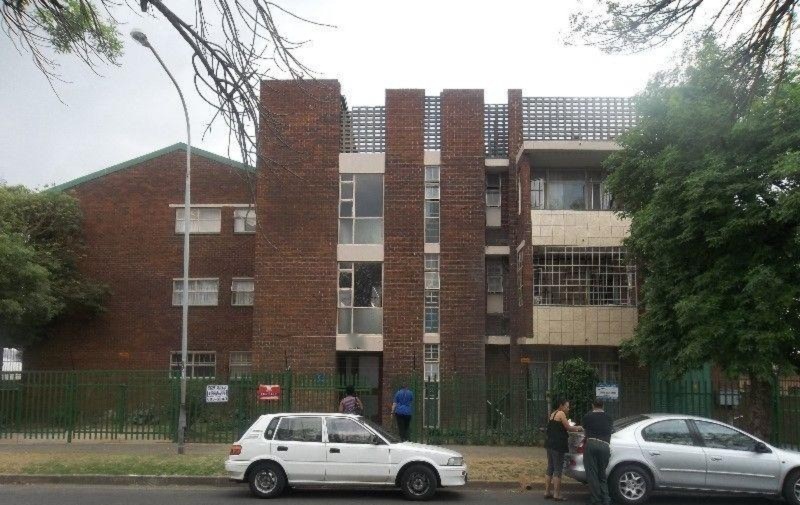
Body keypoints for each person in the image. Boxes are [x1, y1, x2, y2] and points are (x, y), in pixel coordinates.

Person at [544, 398, 583, 501]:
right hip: (558, 445)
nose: (568, 408)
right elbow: (568, 427)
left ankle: (547, 492)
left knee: (550, 467)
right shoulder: (561, 414)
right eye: (567, 406)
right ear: (561, 406)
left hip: (549, 444)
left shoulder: (553, 414)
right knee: (558, 469)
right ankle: (556, 494)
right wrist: (579, 427)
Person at [581, 398, 614, 505]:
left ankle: (596, 499)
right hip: (605, 445)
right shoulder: (609, 417)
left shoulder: (588, 416)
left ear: (592, 405)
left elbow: (584, 431)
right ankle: (606, 498)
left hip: (591, 443)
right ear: (603, 406)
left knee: (592, 474)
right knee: (602, 473)